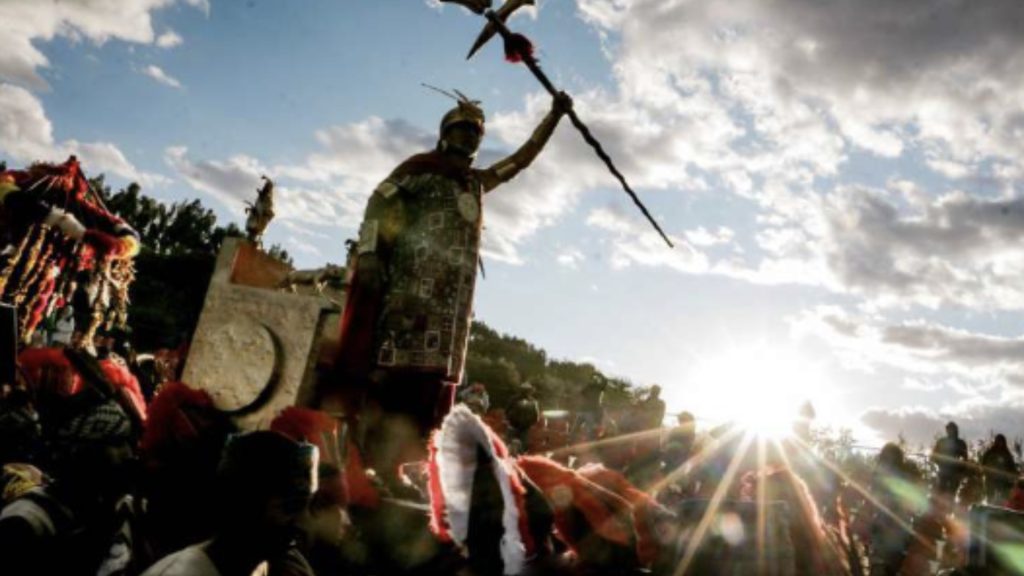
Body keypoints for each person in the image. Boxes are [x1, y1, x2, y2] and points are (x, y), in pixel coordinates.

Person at [329, 89, 572, 477]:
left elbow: (521, 160)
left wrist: (555, 117)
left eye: (475, 133)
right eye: (461, 129)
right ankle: (365, 469)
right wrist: (370, 253)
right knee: (390, 384)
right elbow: (378, 202)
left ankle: (401, 471)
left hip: (449, 316)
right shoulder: (419, 169)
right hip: (407, 299)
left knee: (430, 399)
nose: (469, 137)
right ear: (445, 132)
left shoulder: (476, 182)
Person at [141, 431, 318, 576]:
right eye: (289, 506)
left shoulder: (266, 566)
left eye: (309, 506)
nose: (304, 522)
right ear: (245, 508)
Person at [931, 421, 969, 501]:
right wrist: (938, 463)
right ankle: (939, 510)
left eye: (952, 429)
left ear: (955, 430)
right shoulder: (941, 441)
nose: (950, 431)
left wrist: (961, 470)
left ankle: (948, 510)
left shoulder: (960, 443)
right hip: (943, 471)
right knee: (940, 492)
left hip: (955, 472)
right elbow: (934, 455)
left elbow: (965, 458)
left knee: (952, 493)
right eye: (948, 429)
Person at [980, 434, 1017, 505]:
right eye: (998, 441)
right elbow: (983, 463)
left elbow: (1012, 467)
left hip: (1003, 481)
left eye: (1001, 441)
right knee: (990, 498)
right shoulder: (989, 452)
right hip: (990, 479)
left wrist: (1013, 476)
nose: (1000, 443)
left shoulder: (1007, 454)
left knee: (1002, 499)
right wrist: (985, 472)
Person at [506, 382, 541, 453]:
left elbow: (536, 416)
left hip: (521, 427)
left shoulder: (532, 402)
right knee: (516, 446)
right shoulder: (533, 402)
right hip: (518, 427)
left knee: (518, 447)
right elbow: (536, 417)